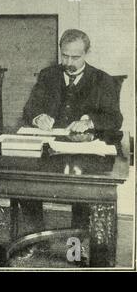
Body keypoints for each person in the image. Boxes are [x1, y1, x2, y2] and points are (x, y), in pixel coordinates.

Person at [21, 29, 122, 256]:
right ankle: (37, 240)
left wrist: (89, 121)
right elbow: (29, 109)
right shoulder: (48, 75)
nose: (68, 62)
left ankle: (74, 248)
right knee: (24, 179)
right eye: (64, 56)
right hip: (50, 150)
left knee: (82, 190)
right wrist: (39, 117)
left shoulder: (102, 80)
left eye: (75, 57)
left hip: (82, 152)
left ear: (87, 53)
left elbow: (115, 119)